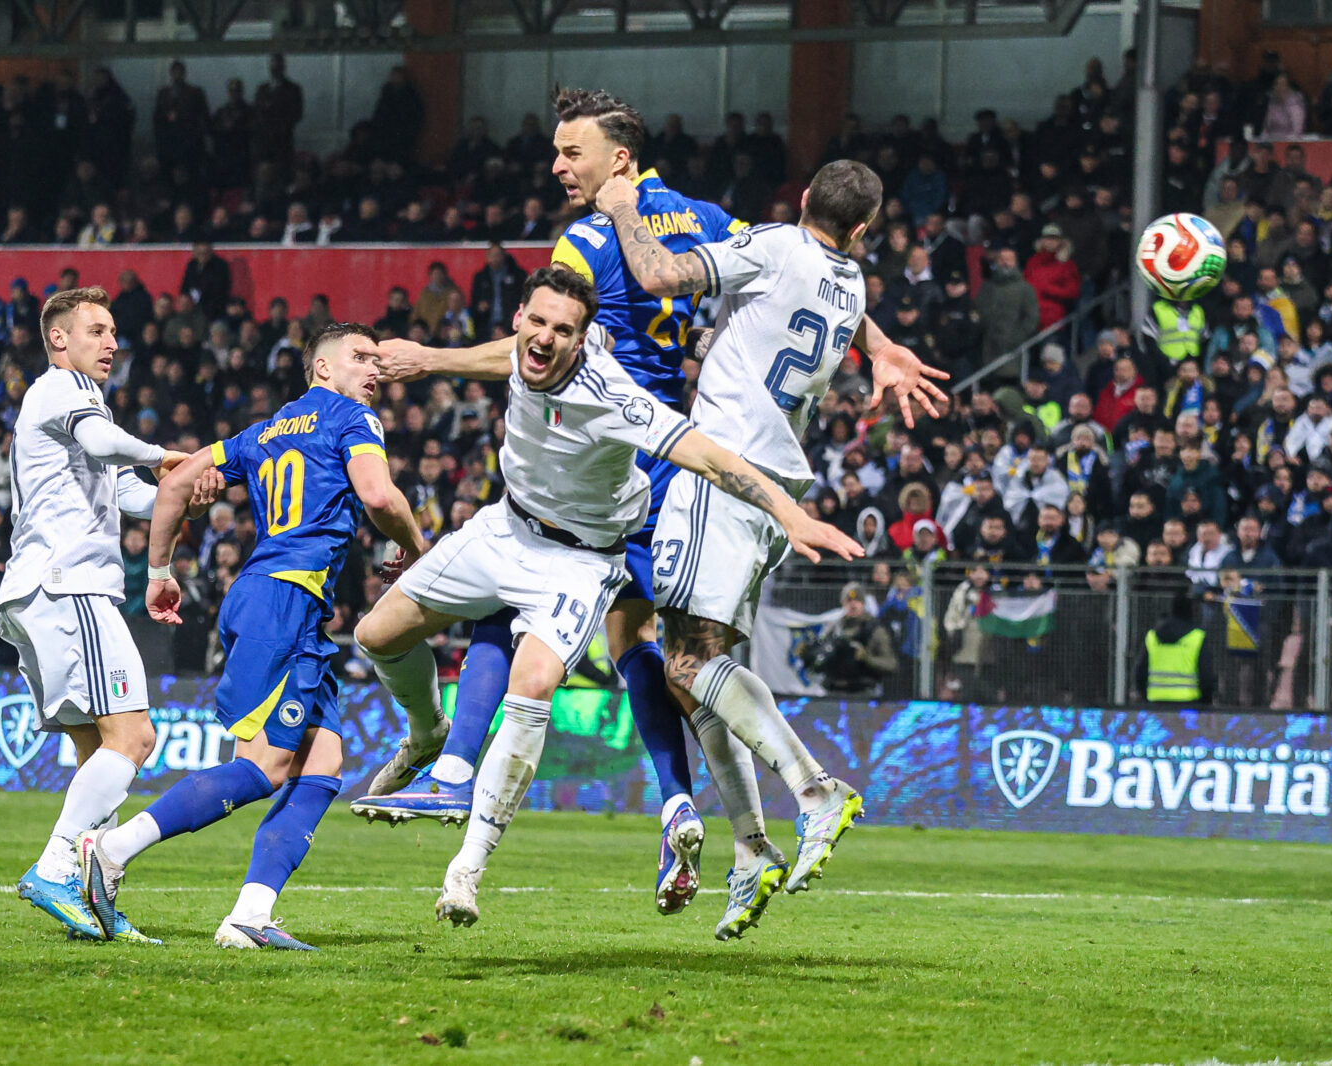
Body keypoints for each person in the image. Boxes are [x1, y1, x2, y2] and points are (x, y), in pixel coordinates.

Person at [352, 87, 754, 922]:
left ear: (620, 159)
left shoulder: (588, 236)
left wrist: (431, 356)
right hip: (672, 465)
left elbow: (542, 337)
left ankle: (455, 771)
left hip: (600, 443)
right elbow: (778, 268)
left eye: (572, 152)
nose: (558, 166)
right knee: (654, 648)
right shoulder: (704, 217)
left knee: (521, 593)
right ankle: (684, 805)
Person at [350, 267, 858, 928]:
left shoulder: (608, 392)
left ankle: (465, 872)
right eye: (536, 323)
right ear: (521, 320)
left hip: (579, 559)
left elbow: (704, 453)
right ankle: (429, 734)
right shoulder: (522, 351)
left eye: (563, 331)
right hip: (504, 527)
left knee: (535, 682)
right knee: (376, 636)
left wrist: (788, 513)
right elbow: (497, 358)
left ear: (584, 340)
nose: (545, 339)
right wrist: (431, 360)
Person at [594, 156, 947, 937]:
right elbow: (842, 307)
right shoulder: (851, 284)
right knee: (703, 674)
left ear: (800, 201)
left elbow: (656, 273)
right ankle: (751, 851)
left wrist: (622, 206)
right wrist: (881, 345)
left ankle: (815, 790)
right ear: (858, 230)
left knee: (682, 661)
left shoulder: (773, 245)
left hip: (722, 472)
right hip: (776, 488)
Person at [77, 324, 428, 951]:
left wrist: (159, 572)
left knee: (321, 762)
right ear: (322, 368)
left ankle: (250, 915)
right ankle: (110, 848)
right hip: (285, 599)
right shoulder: (353, 419)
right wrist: (415, 547)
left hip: (278, 599)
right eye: (360, 358)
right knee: (264, 768)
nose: (374, 369)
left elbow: (178, 481)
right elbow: (377, 493)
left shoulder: (261, 432)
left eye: (379, 359)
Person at [0, 287, 219, 943]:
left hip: (42, 591)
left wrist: (175, 493)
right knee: (136, 739)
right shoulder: (61, 390)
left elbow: (124, 489)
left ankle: (90, 904)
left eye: (114, 331)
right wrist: (171, 458)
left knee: (97, 749)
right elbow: (108, 446)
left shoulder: (78, 405)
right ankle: (54, 866)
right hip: (70, 590)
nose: (112, 342)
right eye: (97, 330)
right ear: (60, 339)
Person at [1133, 590, 1215, 704]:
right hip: (1188, 701)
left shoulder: (1152, 636)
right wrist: (1206, 700)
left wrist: (1143, 695)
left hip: (1156, 700)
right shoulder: (1197, 637)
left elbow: (1140, 670)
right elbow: (1206, 673)